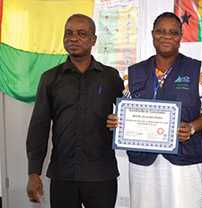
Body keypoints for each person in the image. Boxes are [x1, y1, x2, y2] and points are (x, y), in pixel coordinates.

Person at [106, 12, 202, 208]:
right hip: (143, 163)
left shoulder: (200, 70)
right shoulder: (131, 73)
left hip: (185, 162)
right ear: (152, 34)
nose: (166, 36)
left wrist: (192, 127)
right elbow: (125, 112)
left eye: (173, 32)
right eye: (161, 31)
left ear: (180, 36)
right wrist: (117, 122)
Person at [26, 14, 124, 208]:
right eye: (68, 33)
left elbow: (131, 112)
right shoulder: (50, 79)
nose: (73, 38)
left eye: (81, 34)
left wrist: (121, 122)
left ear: (93, 39)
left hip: (101, 175)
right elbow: (39, 126)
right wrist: (33, 172)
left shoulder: (110, 77)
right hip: (63, 175)